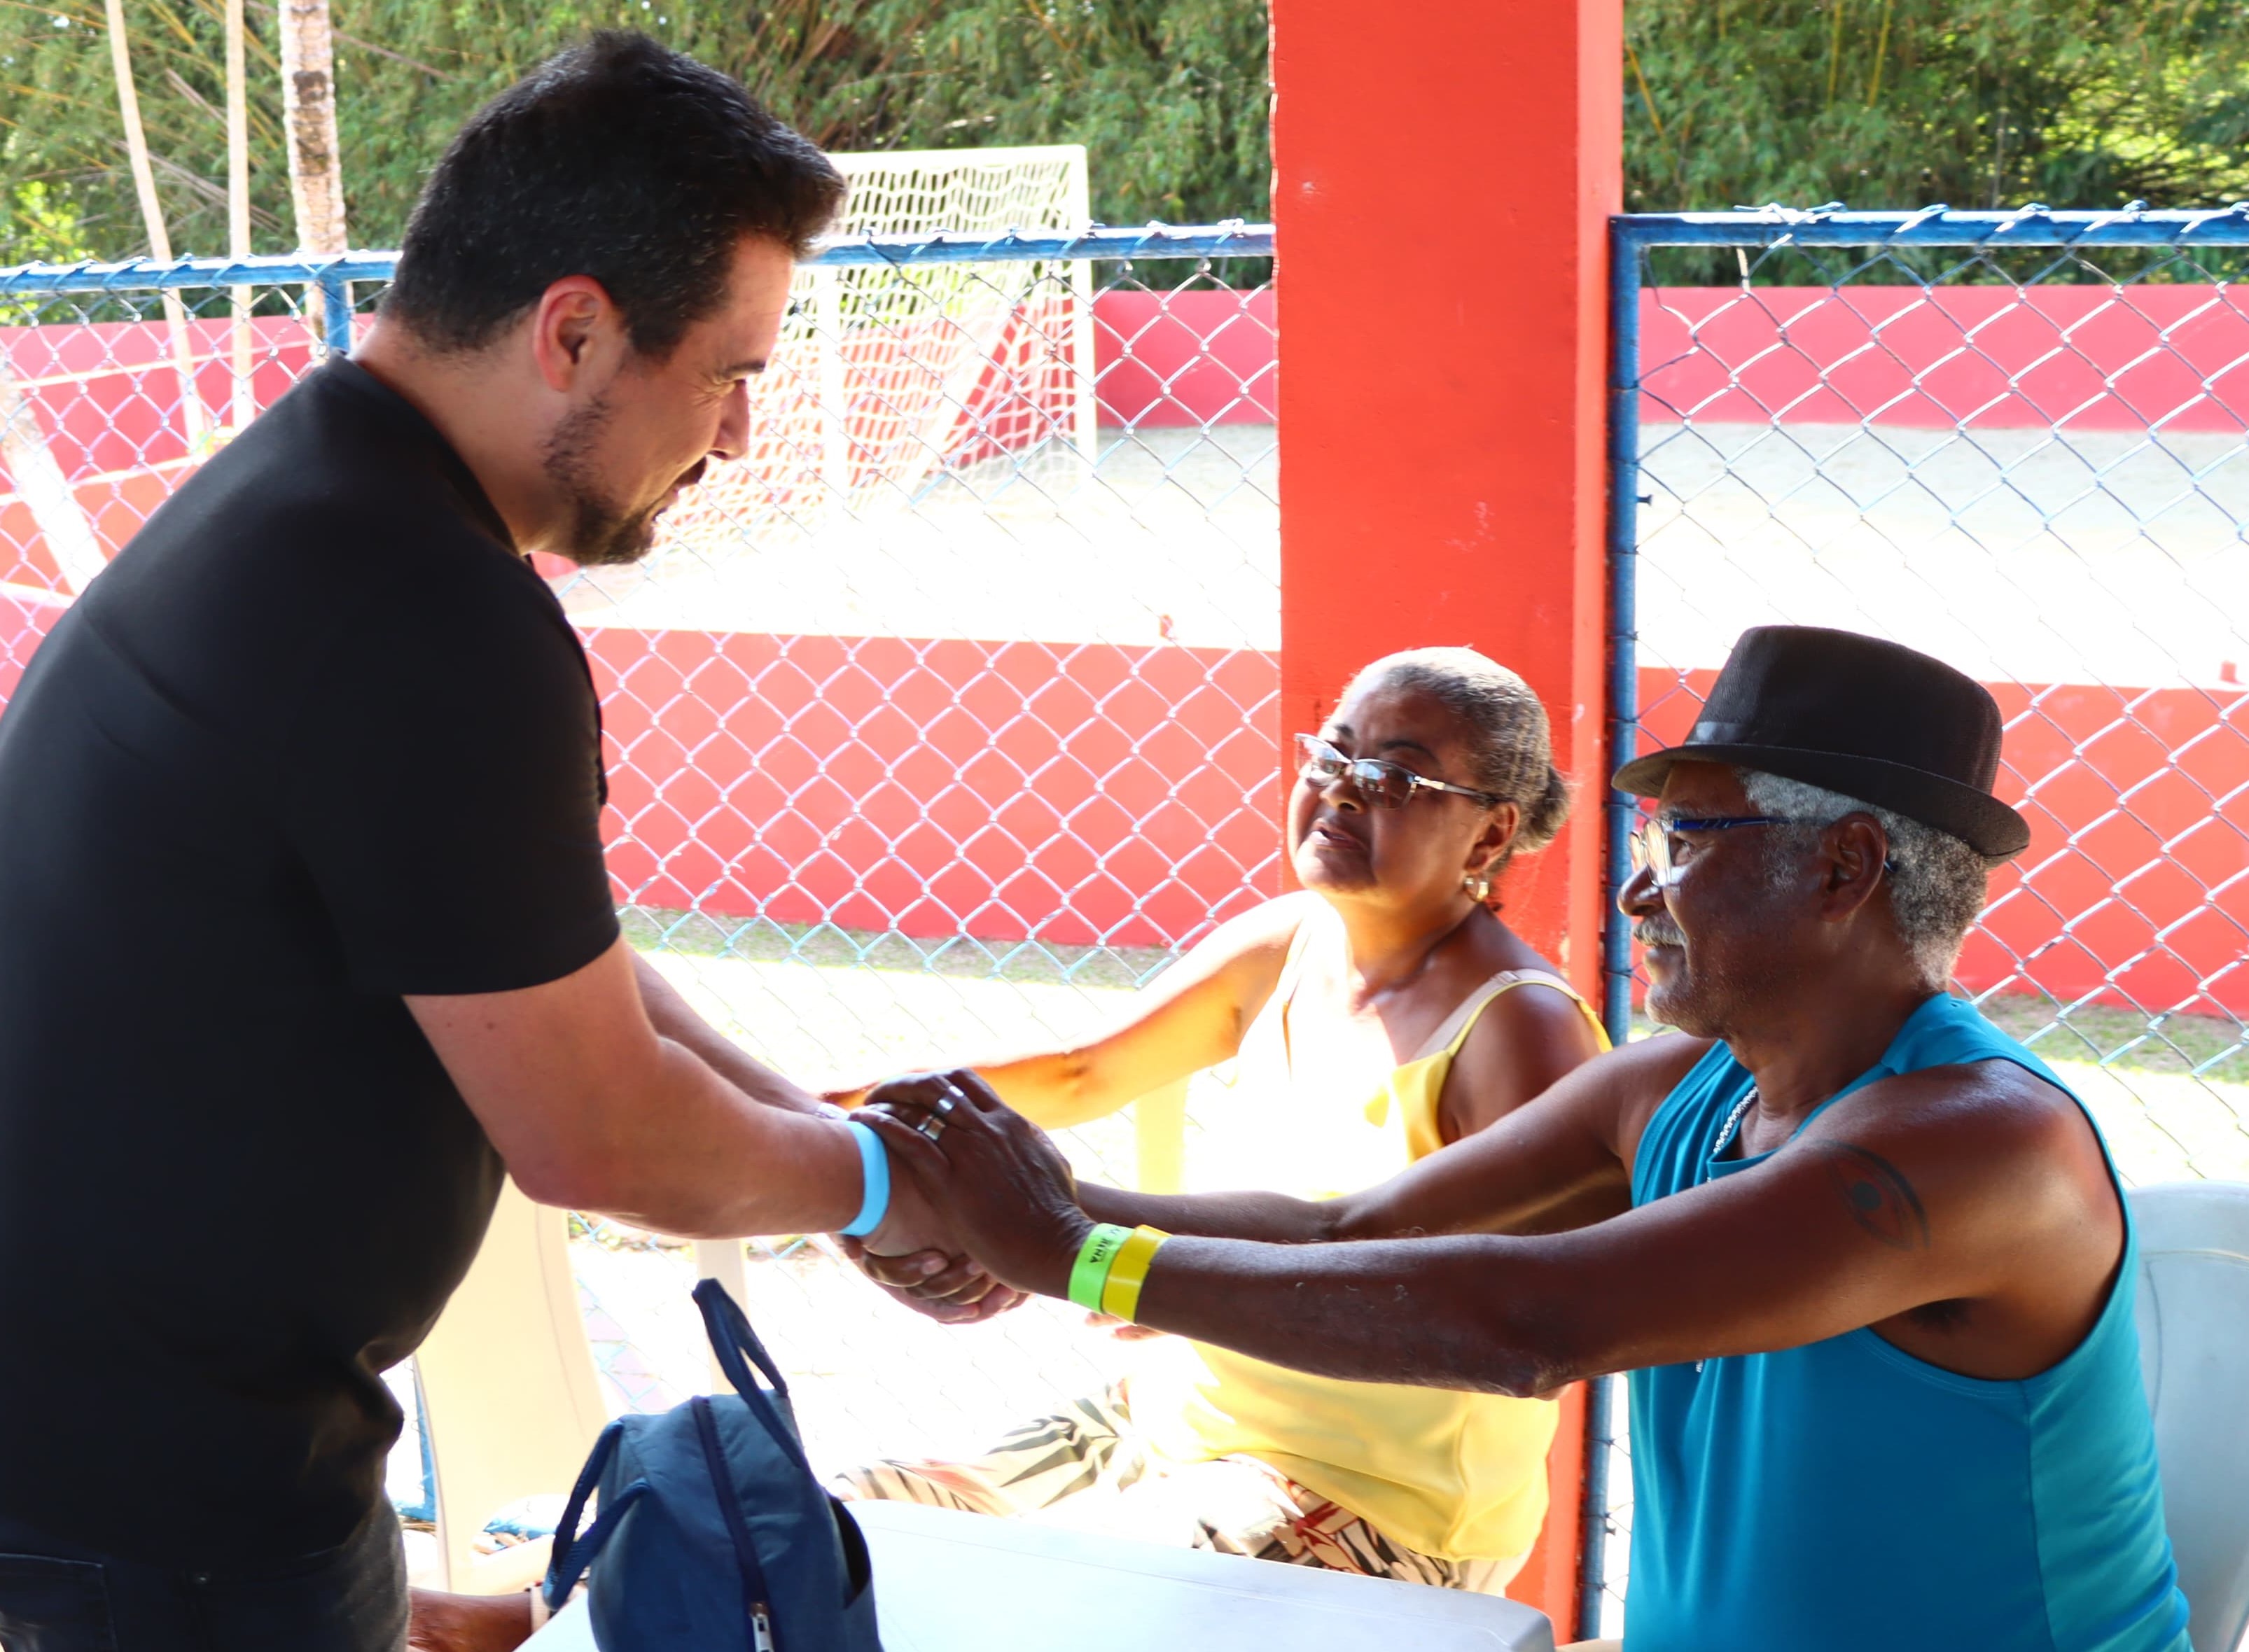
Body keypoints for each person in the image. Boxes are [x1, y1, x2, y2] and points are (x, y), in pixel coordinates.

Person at [0, 36, 992, 1652]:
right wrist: (892, 1186)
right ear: (574, 330)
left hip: (142, 1471)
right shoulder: (426, 611)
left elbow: (531, 966)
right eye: (727, 373)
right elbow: (600, 1133)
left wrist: (834, 1137)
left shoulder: (314, 492)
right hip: (155, 1517)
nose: (740, 434)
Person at [861, 625, 2194, 1652]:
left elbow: (1527, 1322)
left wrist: (1067, 1253)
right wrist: (1020, 1208)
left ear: (1843, 868)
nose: (1637, 890)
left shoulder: (1976, 1147)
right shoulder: (1677, 1088)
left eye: (1686, 840)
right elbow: (1350, 1229)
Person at [840, 648, 1608, 1591]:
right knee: (846, 1522)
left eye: (1394, 778)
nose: (1341, 790)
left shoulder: (1518, 1029)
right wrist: (830, 1125)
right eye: (1331, 755)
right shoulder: (1290, 942)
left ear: (1490, 837)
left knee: (1036, 1603)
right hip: (1166, 1425)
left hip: (1367, 1497)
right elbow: (1080, 1072)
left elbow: (1494, 1300)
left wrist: (1065, 1235)